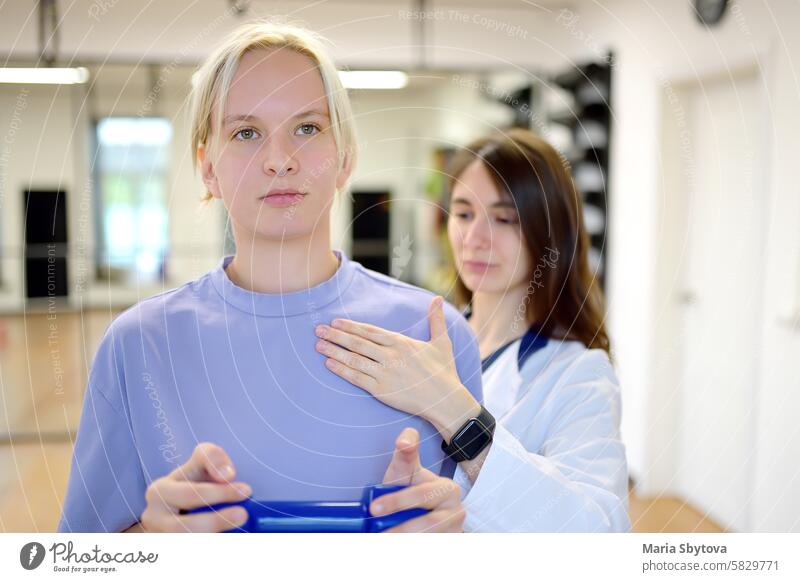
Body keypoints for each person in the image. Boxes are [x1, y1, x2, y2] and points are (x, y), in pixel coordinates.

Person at [57, 19, 482, 533]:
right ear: (207, 166)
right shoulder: (139, 344)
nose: (280, 160)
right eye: (246, 133)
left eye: (307, 128)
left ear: (345, 155)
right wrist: (152, 544)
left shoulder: (433, 333)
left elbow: (499, 535)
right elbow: (76, 561)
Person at [313, 128, 630, 532]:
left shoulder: (577, 375)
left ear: (551, 235)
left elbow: (599, 533)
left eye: (504, 218)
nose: (475, 239)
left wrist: (454, 411)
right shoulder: (419, 340)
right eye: (463, 213)